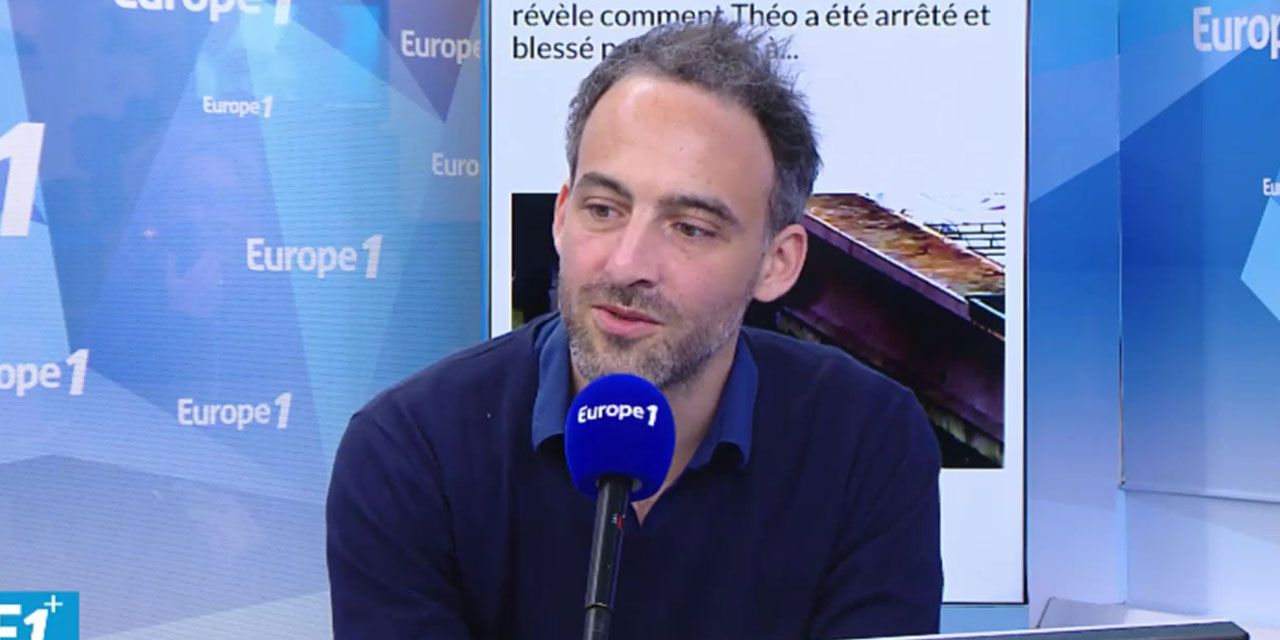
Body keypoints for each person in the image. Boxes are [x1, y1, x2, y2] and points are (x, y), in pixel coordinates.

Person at [326, 19, 942, 640]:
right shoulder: (410, 452)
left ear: (777, 263)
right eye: (603, 210)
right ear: (561, 216)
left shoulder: (867, 439)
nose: (627, 265)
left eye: (690, 228)